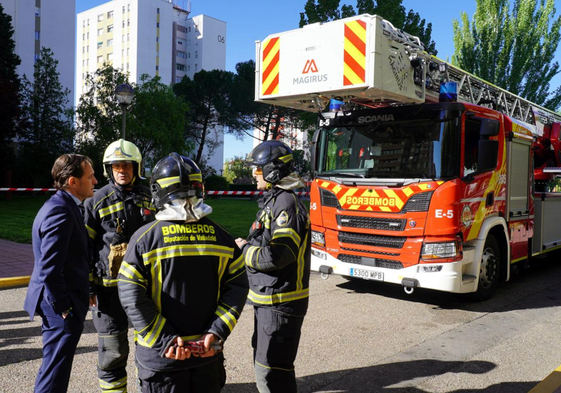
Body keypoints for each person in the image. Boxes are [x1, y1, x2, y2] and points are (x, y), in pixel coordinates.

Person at [117, 153, 249, 392]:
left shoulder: (145, 239)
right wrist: (216, 332)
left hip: (162, 360)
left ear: (158, 191)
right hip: (207, 356)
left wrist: (163, 338)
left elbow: (130, 295)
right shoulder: (223, 237)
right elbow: (237, 289)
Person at [235, 140, 311, 393]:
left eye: (257, 169)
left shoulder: (285, 203)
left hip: (280, 303)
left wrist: (245, 249)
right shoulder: (274, 200)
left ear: (272, 171)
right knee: (269, 366)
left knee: (271, 374)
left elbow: (280, 255)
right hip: (269, 301)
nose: (253, 174)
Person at [83, 139, 155, 392]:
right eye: (116, 166)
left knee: (148, 346)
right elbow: (84, 247)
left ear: (136, 167)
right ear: (109, 169)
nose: (121, 170)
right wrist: (88, 286)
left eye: (126, 165)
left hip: (146, 290)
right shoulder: (96, 200)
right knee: (113, 350)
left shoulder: (151, 197)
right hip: (108, 290)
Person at [24, 154, 98, 393]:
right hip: (59, 308)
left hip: (60, 303)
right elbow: (49, 268)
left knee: (54, 367)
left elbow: (70, 259)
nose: (95, 181)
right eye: (90, 176)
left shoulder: (64, 205)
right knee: (55, 371)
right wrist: (64, 307)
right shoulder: (61, 211)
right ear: (72, 182)